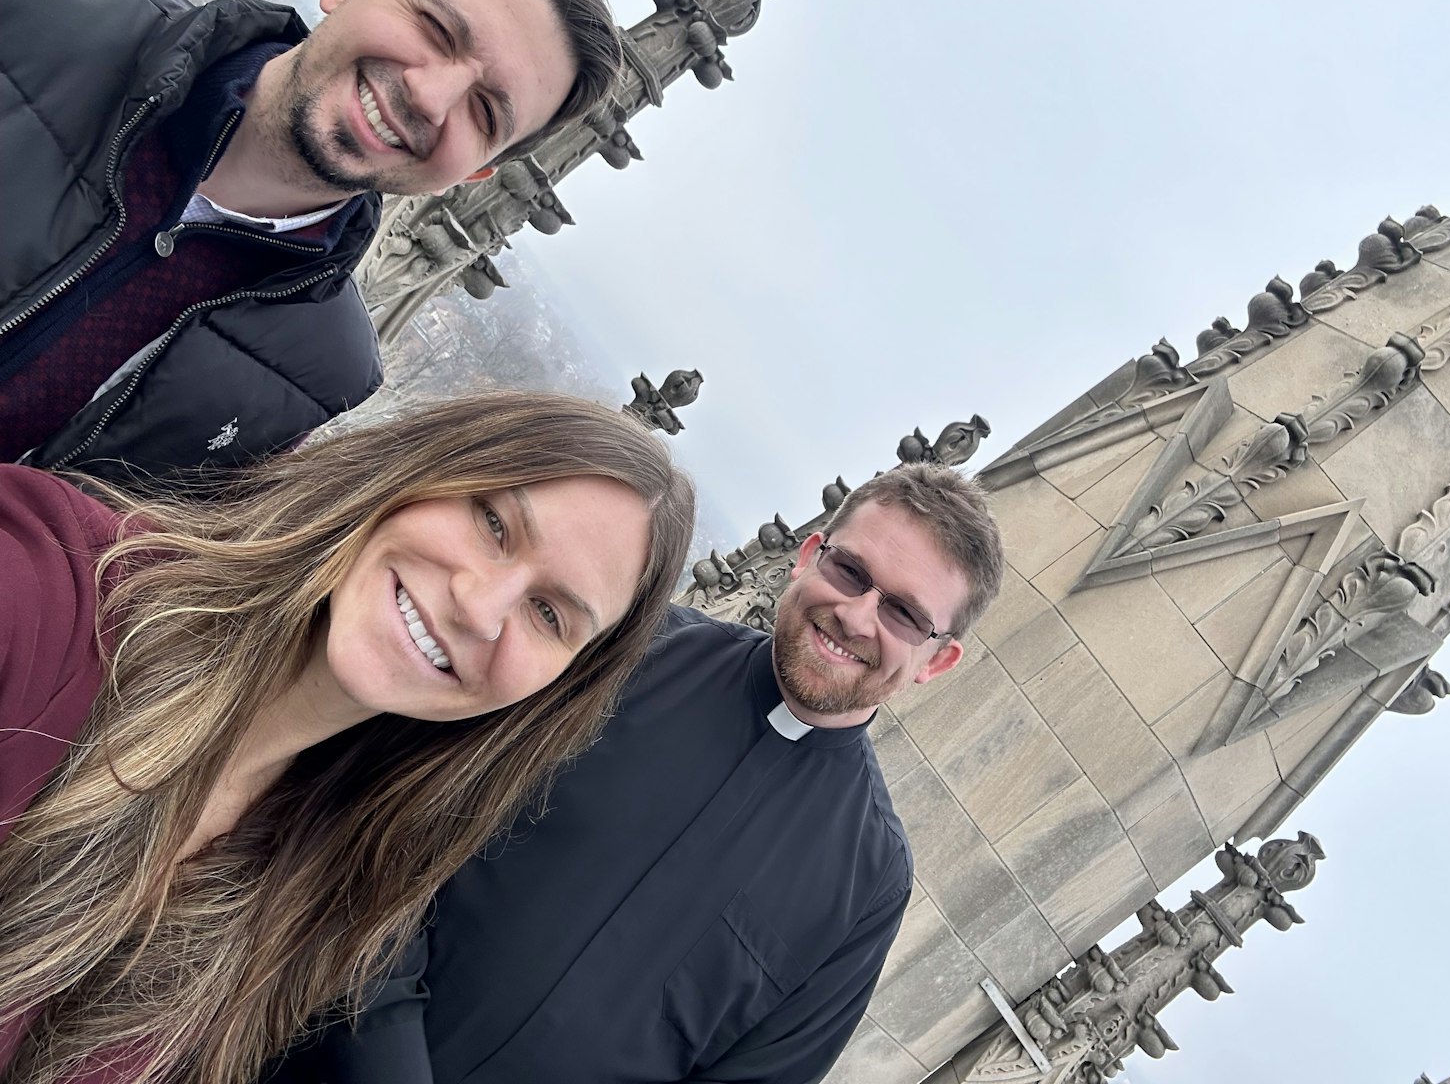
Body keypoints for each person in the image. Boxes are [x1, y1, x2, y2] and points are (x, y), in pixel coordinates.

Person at [0, 392, 696, 1084]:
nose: (481, 609)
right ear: (418, 466)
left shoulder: (312, 886)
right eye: (494, 522)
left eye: (548, 613)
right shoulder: (53, 597)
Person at [275, 462, 1005, 1084]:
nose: (856, 615)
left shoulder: (869, 885)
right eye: (850, 571)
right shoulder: (629, 647)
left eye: (906, 614)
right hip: (278, 1038)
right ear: (808, 554)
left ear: (937, 661)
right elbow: (395, 807)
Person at [0, 0, 622, 484]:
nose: (431, 97)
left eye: (485, 114)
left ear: (477, 172)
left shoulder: (325, 372)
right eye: (436, 28)